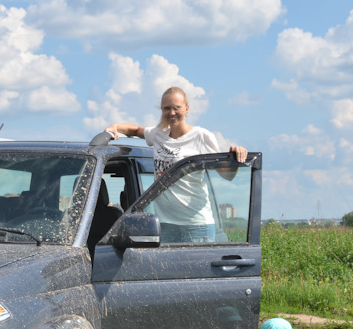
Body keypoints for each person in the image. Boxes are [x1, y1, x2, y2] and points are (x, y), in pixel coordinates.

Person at [104, 86, 248, 243]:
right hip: (164, 225)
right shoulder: (158, 134)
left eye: (176, 107)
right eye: (166, 108)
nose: (171, 113)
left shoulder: (201, 136)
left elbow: (226, 174)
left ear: (186, 108)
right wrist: (115, 128)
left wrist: (235, 157)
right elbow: (136, 130)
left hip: (196, 226)